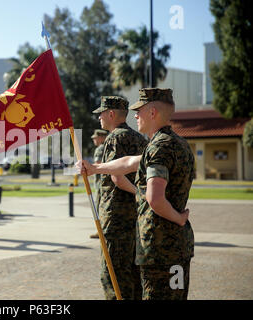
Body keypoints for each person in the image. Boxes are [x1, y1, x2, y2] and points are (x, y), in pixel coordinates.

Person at [78, 88, 194, 300]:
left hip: (160, 245)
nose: (135, 115)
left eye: (139, 111)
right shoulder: (176, 143)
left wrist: (178, 218)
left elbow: (155, 198)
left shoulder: (159, 146)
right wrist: (95, 168)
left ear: (152, 113)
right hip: (176, 244)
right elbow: (129, 162)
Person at [91, 96, 148, 300]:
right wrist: (141, 195)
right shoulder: (140, 138)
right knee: (134, 274)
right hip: (135, 217)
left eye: (101, 114)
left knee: (113, 275)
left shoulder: (115, 138)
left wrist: (138, 192)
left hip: (116, 218)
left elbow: (116, 176)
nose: (99, 118)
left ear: (111, 114)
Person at [89, 129, 109, 239]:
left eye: (95, 138)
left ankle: (100, 231)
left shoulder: (100, 148)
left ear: (101, 137)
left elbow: (97, 164)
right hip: (104, 182)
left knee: (99, 207)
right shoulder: (107, 146)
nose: (94, 140)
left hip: (100, 183)